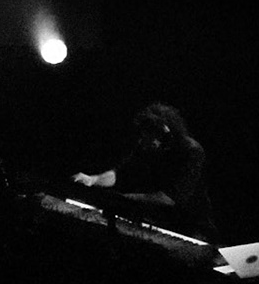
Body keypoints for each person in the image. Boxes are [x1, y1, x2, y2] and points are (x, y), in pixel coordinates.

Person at [72, 102, 217, 242]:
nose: (142, 140)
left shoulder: (191, 151)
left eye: (148, 134)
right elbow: (120, 174)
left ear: (164, 131)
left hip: (191, 228)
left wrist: (123, 199)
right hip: (157, 220)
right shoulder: (147, 148)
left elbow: (170, 198)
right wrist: (93, 180)